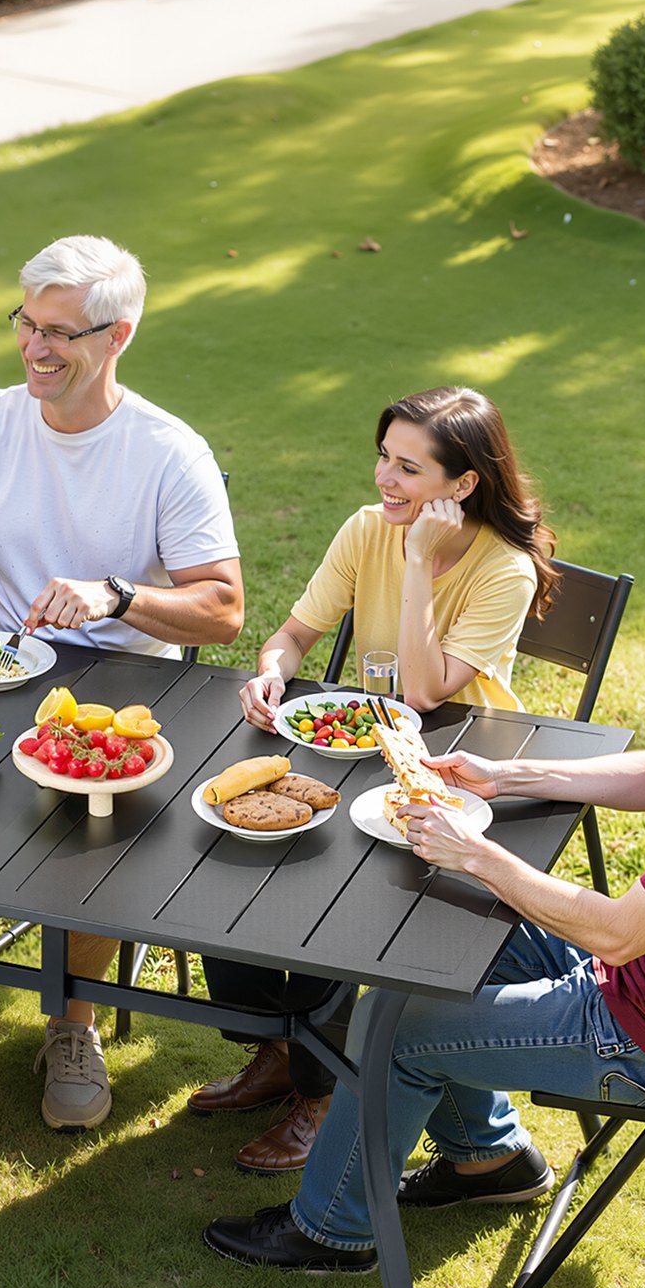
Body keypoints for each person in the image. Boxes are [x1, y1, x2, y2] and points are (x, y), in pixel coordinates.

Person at [202, 500, 645, 1271]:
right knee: (443, 936)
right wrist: (506, 774)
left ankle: (331, 1230)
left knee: (390, 1027)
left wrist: (476, 852)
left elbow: (617, 934)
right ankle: (488, 1160)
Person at [0, 234, 243, 1131]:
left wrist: (117, 594)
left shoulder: (167, 452)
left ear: (119, 337)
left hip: (118, 690)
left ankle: (74, 1022)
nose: (36, 347)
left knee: (95, 833)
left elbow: (222, 610)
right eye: (26, 324)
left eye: (61, 332)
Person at [194, 387, 557, 1177]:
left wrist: (421, 564)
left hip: (458, 769)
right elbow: (292, 635)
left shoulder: (505, 570)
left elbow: (428, 692)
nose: (384, 480)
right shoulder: (365, 529)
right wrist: (270, 676)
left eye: (408, 467)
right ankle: (281, 1049)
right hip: (358, 749)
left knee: (345, 904)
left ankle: (322, 1088)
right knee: (231, 852)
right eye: (383, 457)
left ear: (462, 485)